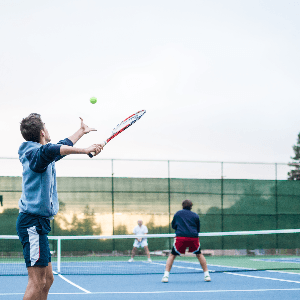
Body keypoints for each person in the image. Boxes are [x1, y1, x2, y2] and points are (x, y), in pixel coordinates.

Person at [16, 113, 103, 300]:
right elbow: (52, 150)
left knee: (47, 280)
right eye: (46, 127)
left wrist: (81, 132)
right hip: (32, 223)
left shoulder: (41, 155)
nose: (48, 131)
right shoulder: (35, 155)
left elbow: (60, 146)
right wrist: (85, 149)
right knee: (37, 282)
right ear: (42, 132)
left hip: (39, 224)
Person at [161, 199, 211, 283]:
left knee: (172, 255)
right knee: (199, 254)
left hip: (181, 238)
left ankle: (165, 276)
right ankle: (207, 275)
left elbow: (173, 225)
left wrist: (179, 232)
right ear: (191, 206)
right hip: (193, 237)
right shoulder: (195, 215)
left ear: (182, 205)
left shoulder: (178, 214)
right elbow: (198, 228)